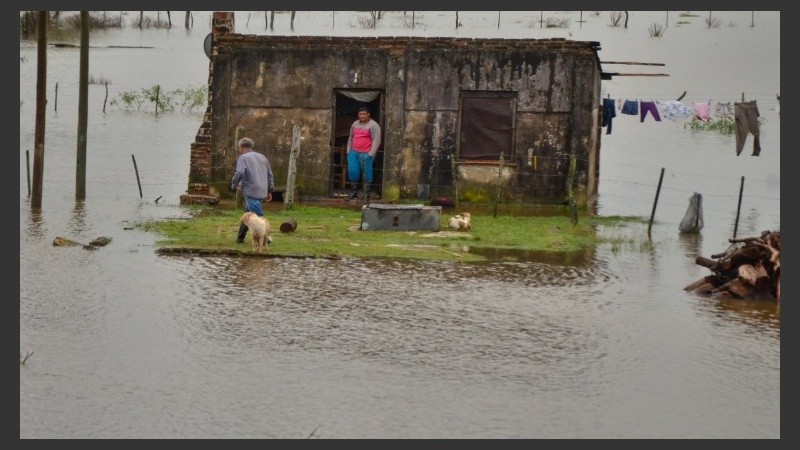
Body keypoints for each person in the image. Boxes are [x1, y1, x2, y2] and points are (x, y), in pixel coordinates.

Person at [231, 137, 274, 244]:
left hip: (250, 190)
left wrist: (234, 183)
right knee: (248, 214)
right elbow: (269, 175)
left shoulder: (243, 157)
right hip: (262, 190)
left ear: (241, 147)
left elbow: (240, 172)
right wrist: (269, 190)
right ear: (251, 147)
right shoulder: (262, 157)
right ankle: (240, 238)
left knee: (257, 215)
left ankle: (265, 238)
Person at [346, 106, 381, 200]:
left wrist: (371, 154)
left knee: (367, 173)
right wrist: (348, 150)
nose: (362, 116)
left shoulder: (374, 125)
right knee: (353, 171)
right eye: (360, 114)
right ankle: (353, 193)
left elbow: (376, 140)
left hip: (366, 153)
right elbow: (351, 137)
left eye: (364, 114)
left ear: (368, 114)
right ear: (358, 115)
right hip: (353, 152)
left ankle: (366, 195)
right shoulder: (355, 124)